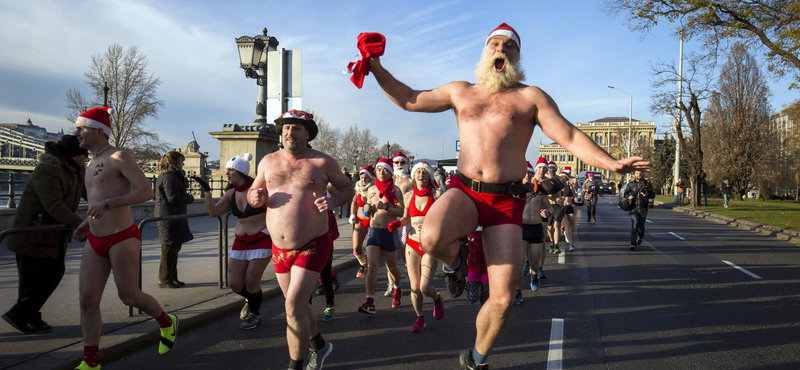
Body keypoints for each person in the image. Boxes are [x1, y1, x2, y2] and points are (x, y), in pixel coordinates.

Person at [367, 22, 649, 369]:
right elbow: (409, 98)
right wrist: (376, 67)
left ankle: (476, 358)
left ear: (517, 55)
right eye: (495, 44)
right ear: (485, 52)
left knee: (501, 300)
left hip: (507, 203)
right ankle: (457, 264)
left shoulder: (531, 97)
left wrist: (612, 163)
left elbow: (571, 137)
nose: (501, 49)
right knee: (429, 237)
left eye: (509, 46)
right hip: (466, 190)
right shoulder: (461, 91)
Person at [247, 109, 354, 370]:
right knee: (298, 306)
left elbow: (348, 188)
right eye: (285, 127)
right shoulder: (268, 161)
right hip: (280, 248)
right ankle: (319, 344)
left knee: (293, 306)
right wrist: (254, 197)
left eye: (296, 127)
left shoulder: (322, 162)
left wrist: (333, 201)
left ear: (308, 133)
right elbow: (254, 188)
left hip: (313, 243)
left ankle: (295, 365)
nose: (289, 132)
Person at [72, 107, 177, 370]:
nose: (76, 133)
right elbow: (97, 199)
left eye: (81, 128)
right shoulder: (90, 163)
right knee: (87, 300)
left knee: (129, 296)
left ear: (98, 130)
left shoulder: (120, 157)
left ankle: (167, 322)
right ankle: (91, 362)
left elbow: (145, 192)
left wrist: (108, 204)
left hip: (122, 237)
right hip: (95, 240)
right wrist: (86, 222)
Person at [3, 135, 88, 334]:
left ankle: (27, 317)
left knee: (46, 276)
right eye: (84, 155)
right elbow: (53, 205)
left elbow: (88, 193)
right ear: (74, 155)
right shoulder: (48, 170)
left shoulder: (75, 170)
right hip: (32, 232)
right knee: (37, 278)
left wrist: (108, 203)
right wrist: (81, 224)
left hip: (51, 234)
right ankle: (23, 316)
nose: (86, 158)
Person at [196, 153, 272, 330]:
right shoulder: (230, 194)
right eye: (227, 171)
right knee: (235, 283)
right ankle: (251, 299)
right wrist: (207, 192)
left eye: (231, 170)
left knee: (251, 281)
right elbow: (214, 212)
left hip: (261, 240)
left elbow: (276, 210)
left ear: (241, 172)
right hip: (240, 242)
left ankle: (255, 314)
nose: (227, 174)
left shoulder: (258, 190)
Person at [387, 161, 444, 332]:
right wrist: (397, 224)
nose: (421, 175)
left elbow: (444, 217)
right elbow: (406, 218)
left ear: (429, 176)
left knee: (424, 287)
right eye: (418, 172)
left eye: (424, 173)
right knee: (414, 287)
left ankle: (436, 298)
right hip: (412, 243)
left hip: (429, 244)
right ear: (414, 176)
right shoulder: (408, 195)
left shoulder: (438, 194)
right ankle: (420, 318)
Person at [358, 158, 406, 314]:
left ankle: (397, 289)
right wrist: (366, 210)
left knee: (391, 267)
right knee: (372, 267)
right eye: (379, 170)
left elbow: (400, 211)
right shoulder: (371, 190)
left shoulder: (395, 190)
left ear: (390, 172)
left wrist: (385, 206)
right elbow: (365, 211)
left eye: (385, 170)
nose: (381, 173)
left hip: (389, 232)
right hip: (374, 232)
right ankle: (369, 302)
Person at [155, 151, 194, 289]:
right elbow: (173, 198)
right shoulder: (169, 177)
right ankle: (164, 278)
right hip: (168, 217)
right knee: (169, 247)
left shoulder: (173, 177)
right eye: (181, 161)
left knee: (175, 246)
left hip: (173, 216)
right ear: (175, 163)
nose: (183, 164)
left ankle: (172, 276)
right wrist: (190, 198)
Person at [385, 151, 414, 297]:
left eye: (402, 162)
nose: (399, 165)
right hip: (390, 219)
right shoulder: (388, 180)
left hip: (405, 220)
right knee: (389, 255)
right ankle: (391, 284)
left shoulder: (411, 182)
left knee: (404, 254)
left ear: (407, 164)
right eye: (396, 162)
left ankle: (411, 278)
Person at [523, 159, 550, 294]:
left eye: (529, 173)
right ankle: (517, 291)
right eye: (525, 173)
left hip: (536, 227)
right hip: (521, 228)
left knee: (535, 263)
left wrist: (547, 211)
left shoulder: (539, 190)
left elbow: (548, 206)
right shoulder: (516, 190)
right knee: (518, 261)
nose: (527, 175)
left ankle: (534, 275)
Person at [349, 165, 375, 278]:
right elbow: (354, 202)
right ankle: (364, 264)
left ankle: (373, 271)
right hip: (360, 221)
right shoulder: (358, 187)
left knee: (371, 251)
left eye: (366, 178)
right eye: (362, 177)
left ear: (370, 177)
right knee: (356, 249)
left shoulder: (375, 188)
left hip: (373, 222)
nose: (363, 180)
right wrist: (352, 214)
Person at [624, 170, 655, 251]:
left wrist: (647, 195)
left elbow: (653, 195)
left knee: (641, 227)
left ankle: (640, 237)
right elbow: (626, 193)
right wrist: (629, 197)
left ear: (642, 174)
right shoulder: (631, 184)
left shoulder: (647, 184)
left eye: (640, 173)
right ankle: (633, 243)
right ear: (634, 174)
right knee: (635, 224)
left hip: (643, 207)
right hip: (633, 207)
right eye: (637, 173)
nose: (639, 175)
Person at [465, 227, 489, 305]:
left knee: (486, 300)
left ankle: (485, 315)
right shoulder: (468, 226)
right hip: (473, 268)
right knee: (471, 298)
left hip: (487, 269)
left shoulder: (491, 230)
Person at [560, 167, 577, 251]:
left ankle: (565, 231)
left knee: (572, 226)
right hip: (561, 208)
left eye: (564, 178)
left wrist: (571, 187)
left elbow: (574, 196)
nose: (563, 179)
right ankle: (571, 244)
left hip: (569, 207)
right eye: (562, 177)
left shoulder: (568, 187)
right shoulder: (558, 187)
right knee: (566, 224)